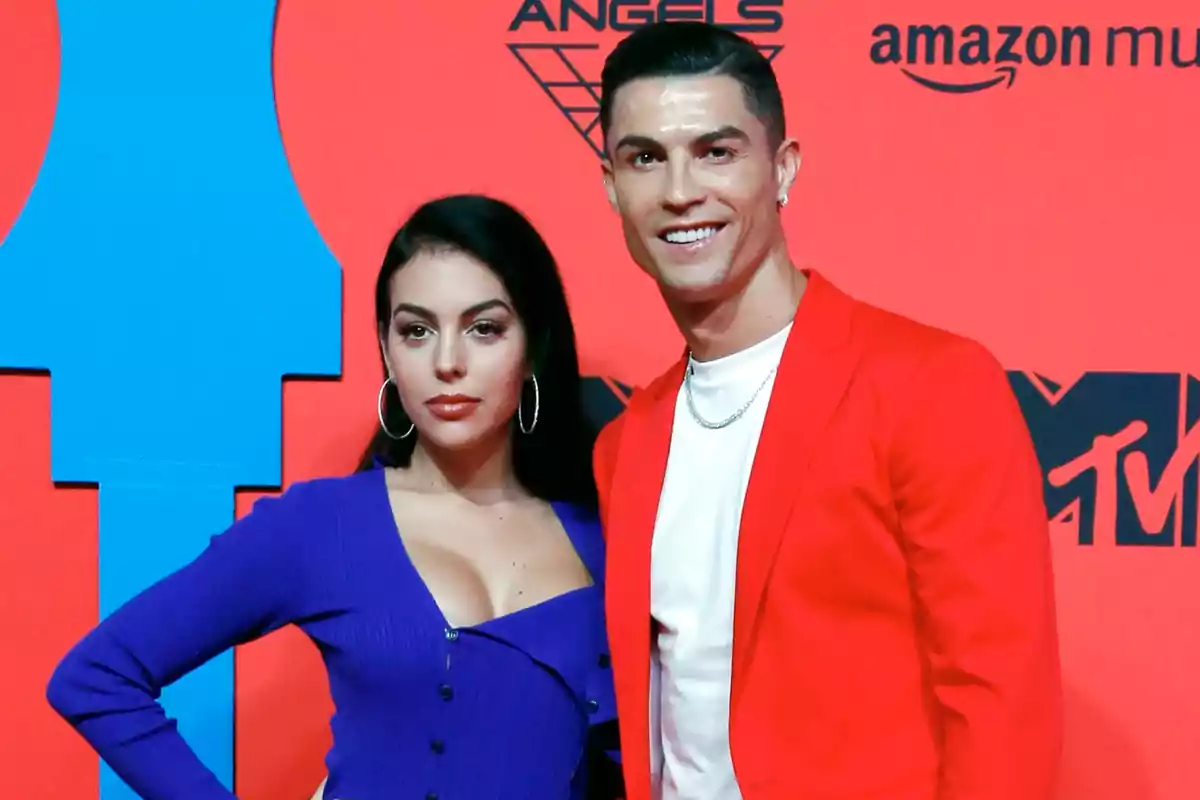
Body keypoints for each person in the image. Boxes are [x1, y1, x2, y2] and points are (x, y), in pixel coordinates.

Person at [591, 21, 1063, 800]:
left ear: (783, 170)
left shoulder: (930, 386)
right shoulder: (627, 443)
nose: (679, 191)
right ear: (612, 188)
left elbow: (1001, 704)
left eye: (717, 151)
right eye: (645, 158)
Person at [46, 194, 622, 799]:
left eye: (484, 328)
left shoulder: (606, 536)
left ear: (532, 345)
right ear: (387, 349)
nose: (447, 362)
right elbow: (95, 678)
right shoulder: (324, 527)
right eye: (417, 330)